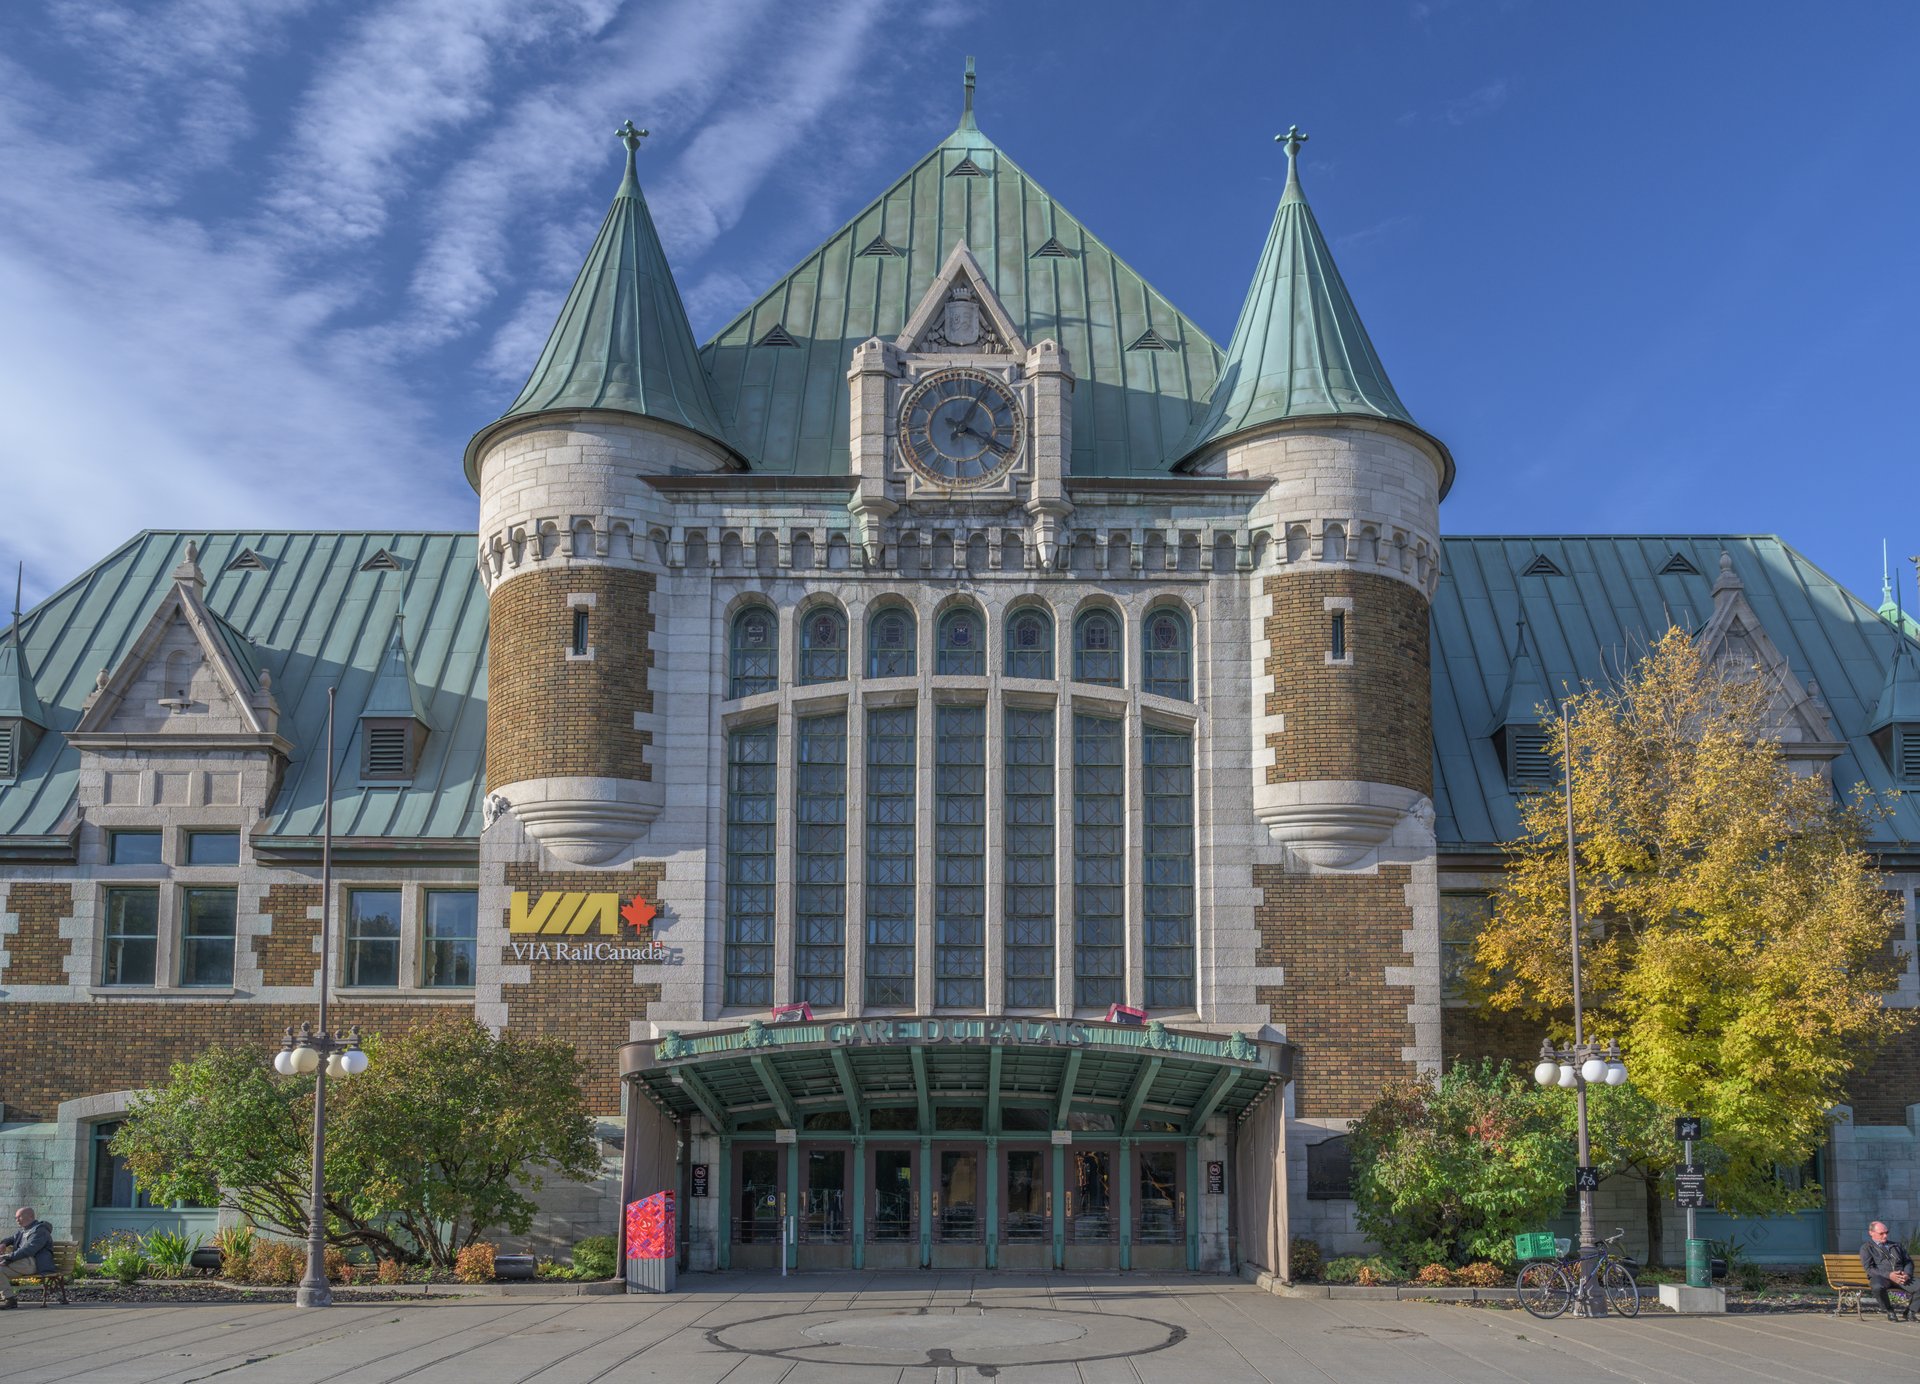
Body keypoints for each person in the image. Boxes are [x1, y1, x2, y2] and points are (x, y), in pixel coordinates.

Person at [0, 1207, 55, 1308]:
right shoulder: (24, 1230)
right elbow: (11, 1238)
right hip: (21, 1264)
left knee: (4, 1259)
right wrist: (4, 1243)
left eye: (19, 1217)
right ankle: (10, 1300)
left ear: (30, 1216)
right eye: (16, 1218)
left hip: (35, 1264)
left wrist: (8, 1258)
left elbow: (29, 1250)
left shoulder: (40, 1230)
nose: (17, 1220)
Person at [1861, 1220, 1914, 1322]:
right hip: (1881, 1278)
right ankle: (1889, 1311)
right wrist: (1889, 1275)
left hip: (1901, 1277)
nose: (1885, 1236)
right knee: (1877, 1287)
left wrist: (1907, 1274)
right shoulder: (1866, 1248)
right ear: (1871, 1233)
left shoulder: (1896, 1245)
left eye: (1886, 1232)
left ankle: (1910, 1312)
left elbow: (1908, 1262)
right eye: (1881, 1233)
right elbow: (1869, 1269)